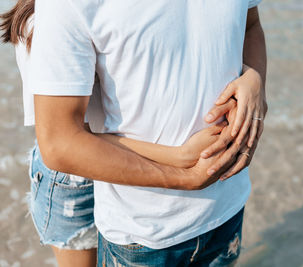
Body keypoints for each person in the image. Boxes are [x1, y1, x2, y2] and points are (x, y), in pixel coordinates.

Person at [1, 0, 267, 266]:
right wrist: (179, 161)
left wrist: (254, 78)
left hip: (121, 160)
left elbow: (246, 26)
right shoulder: (43, 22)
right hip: (73, 177)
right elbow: (70, 139)